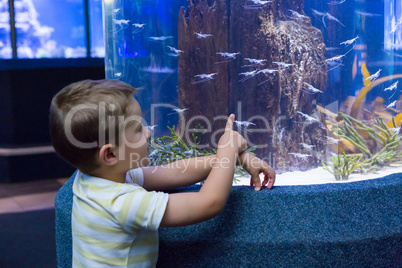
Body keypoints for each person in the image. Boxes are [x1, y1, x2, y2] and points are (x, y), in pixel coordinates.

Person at [49, 79, 276, 267]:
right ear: (109, 155)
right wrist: (227, 147)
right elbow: (209, 202)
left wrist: (233, 158)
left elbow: (174, 172)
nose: (148, 133)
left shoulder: (99, 177)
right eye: (138, 129)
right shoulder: (120, 203)